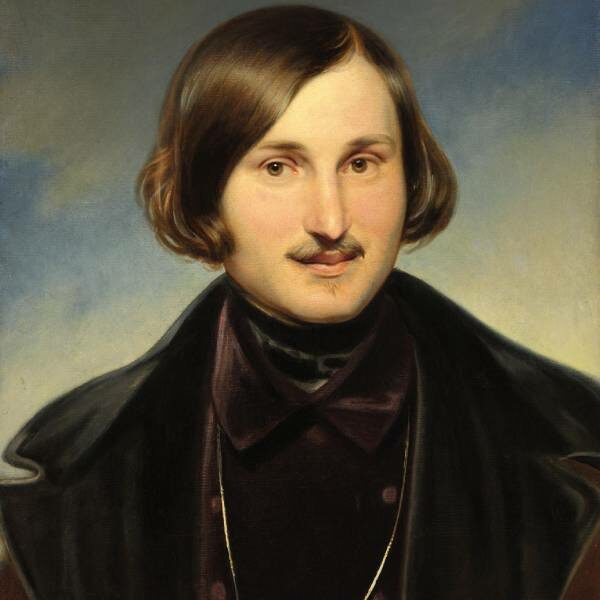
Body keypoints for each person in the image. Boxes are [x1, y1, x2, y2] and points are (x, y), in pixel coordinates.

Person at [1, 5, 598, 599]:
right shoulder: (71, 490)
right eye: (279, 167)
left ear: (411, 178)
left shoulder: (571, 460)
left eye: (361, 163)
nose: (331, 221)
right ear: (205, 194)